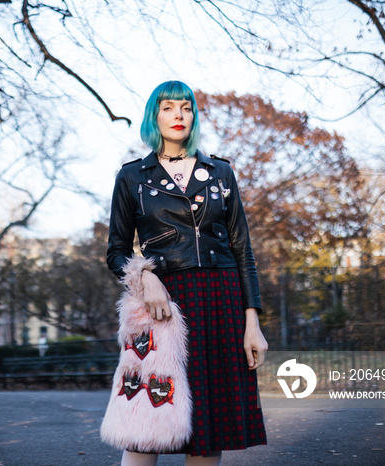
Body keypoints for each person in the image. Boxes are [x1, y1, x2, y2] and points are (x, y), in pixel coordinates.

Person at [106, 80, 268, 466]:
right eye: (167, 107)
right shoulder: (132, 177)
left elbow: (243, 251)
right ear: (154, 116)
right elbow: (115, 251)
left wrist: (252, 322)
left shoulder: (221, 173)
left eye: (185, 107)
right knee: (146, 424)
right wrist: (145, 277)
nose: (178, 115)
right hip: (164, 307)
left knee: (207, 429)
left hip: (221, 302)